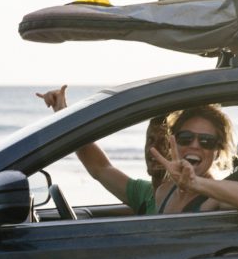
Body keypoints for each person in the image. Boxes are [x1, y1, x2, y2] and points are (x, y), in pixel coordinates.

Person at [37, 84, 169, 214]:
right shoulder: (145, 193)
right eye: (150, 141)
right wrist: (62, 112)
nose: (154, 149)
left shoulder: (186, 201)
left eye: (164, 143)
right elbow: (100, 167)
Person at [149, 105, 238, 213]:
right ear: (173, 143)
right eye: (186, 138)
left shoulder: (215, 198)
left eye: (206, 141)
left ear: (217, 152)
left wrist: (194, 182)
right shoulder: (163, 192)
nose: (194, 146)